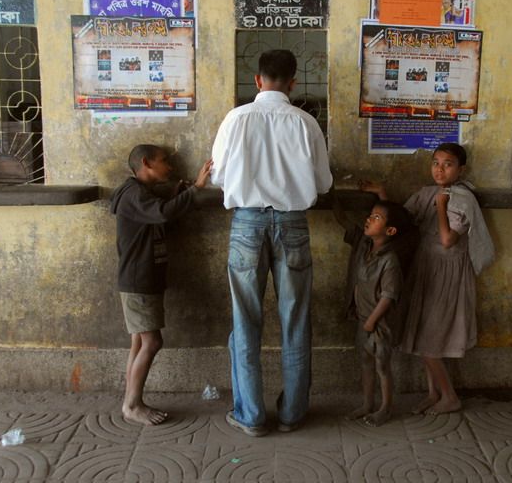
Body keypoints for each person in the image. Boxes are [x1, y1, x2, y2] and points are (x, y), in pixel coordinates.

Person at [211, 49, 333, 437]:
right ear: (293, 83)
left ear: (257, 80)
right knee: (295, 319)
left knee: (245, 321)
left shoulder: (236, 119)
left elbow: (219, 178)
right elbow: (323, 184)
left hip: (246, 223)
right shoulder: (306, 122)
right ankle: (292, 414)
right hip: (293, 224)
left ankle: (250, 416)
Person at [361, 143, 494, 416]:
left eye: (448, 164)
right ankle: (433, 393)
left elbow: (447, 240)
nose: (440, 169)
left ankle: (450, 397)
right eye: (436, 163)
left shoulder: (461, 199)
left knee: (430, 343)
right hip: (426, 270)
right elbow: (402, 220)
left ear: (461, 169)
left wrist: (442, 207)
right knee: (424, 336)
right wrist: (382, 193)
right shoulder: (427, 193)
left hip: (446, 274)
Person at [110, 144, 213, 425]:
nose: (169, 166)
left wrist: (179, 191)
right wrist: (196, 189)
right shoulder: (133, 195)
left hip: (142, 278)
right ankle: (132, 405)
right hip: (138, 279)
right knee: (152, 342)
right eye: (164, 161)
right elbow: (162, 213)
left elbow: (160, 206)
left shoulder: (139, 193)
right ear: (146, 163)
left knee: (138, 343)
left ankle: (129, 400)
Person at [333, 196, 414, 427]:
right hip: (363, 319)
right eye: (370, 215)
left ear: (390, 230)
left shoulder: (390, 260)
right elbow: (343, 220)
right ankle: (367, 404)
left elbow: (389, 296)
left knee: (382, 366)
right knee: (366, 363)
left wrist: (372, 321)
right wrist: (332, 193)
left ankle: (385, 408)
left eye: (376, 218)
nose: (369, 219)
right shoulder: (364, 246)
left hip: (380, 324)